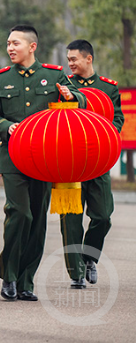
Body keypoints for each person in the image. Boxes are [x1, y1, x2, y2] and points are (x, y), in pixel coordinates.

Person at [0, 25, 84, 302]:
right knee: (20, 213)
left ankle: (26, 281)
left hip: (44, 159)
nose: (10, 48)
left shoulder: (53, 76)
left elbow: (81, 100)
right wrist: (7, 126)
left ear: (32, 46)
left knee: (38, 220)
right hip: (13, 158)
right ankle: (9, 275)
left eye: (15, 43)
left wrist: (71, 97)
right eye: (8, 43)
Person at [61, 39, 123, 289]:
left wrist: (106, 136)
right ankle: (76, 273)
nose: (70, 64)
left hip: (98, 162)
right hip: (70, 162)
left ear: (89, 59)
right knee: (71, 220)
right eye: (68, 60)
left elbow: (117, 118)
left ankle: (89, 258)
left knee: (103, 216)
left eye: (74, 59)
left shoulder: (108, 88)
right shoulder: (63, 86)